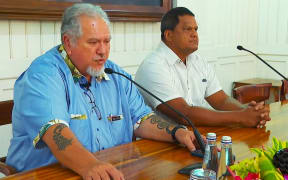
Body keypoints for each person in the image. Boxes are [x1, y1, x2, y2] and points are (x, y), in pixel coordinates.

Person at [6, 4, 204, 180]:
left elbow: (141, 119)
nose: (103, 51)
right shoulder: (43, 76)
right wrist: (90, 165)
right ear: (68, 43)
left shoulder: (115, 73)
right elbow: (55, 132)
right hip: (47, 174)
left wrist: (176, 132)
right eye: (93, 43)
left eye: (107, 41)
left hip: (111, 171)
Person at [135, 7, 270, 128]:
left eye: (196, 29)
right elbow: (184, 114)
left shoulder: (198, 61)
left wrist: (250, 113)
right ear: (169, 35)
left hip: (197, 134)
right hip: (161, 144)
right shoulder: (153, 66)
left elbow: (221, 100)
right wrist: (241, 117)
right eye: (188, 29)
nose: (194, 34)